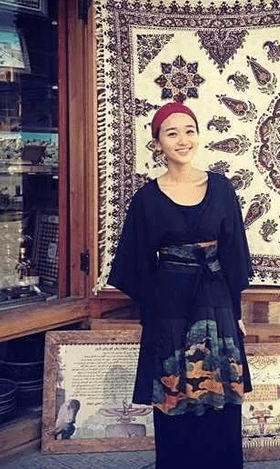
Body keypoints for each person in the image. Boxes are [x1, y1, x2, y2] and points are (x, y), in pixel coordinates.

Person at [108, 102, 253, 469]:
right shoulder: (146, 199)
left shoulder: (221, 189)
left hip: (217, 306)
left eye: (189, 130)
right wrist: (154, 313)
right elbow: (135, 264)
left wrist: (236, 311)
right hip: (170, 310)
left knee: (220, 398)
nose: (183, 140)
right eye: (171, 133)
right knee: (174, 400)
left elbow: (235, 253)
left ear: (198, 136)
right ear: (158, 143)